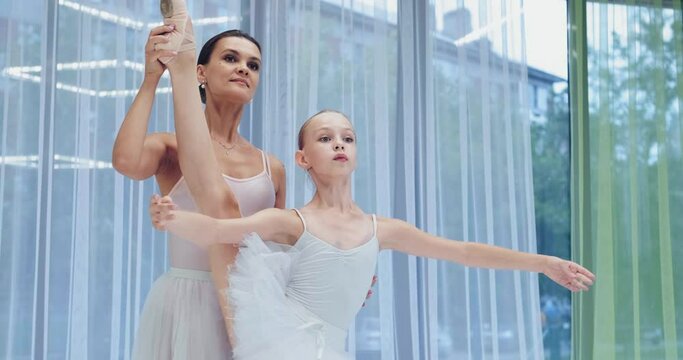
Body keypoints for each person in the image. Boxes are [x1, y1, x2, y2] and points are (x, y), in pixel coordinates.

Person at [151, 109, 596, 360]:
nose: (340, 143)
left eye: (348, 136)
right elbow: (219, 230)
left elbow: (462, 251)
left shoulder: (381, 229)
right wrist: (171, 217)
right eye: (325, 138)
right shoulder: (292, 222)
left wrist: (543, 263)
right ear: (303, 158)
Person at [111, 10, 286, 359]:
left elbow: (278, 250)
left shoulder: (273, 167)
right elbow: (126, 162)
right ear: (200, 73)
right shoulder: (171, 147)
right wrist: (151, 78)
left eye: (253, 65)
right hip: (188, 304)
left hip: (250, 304)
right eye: (231, 58)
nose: (244, 69)